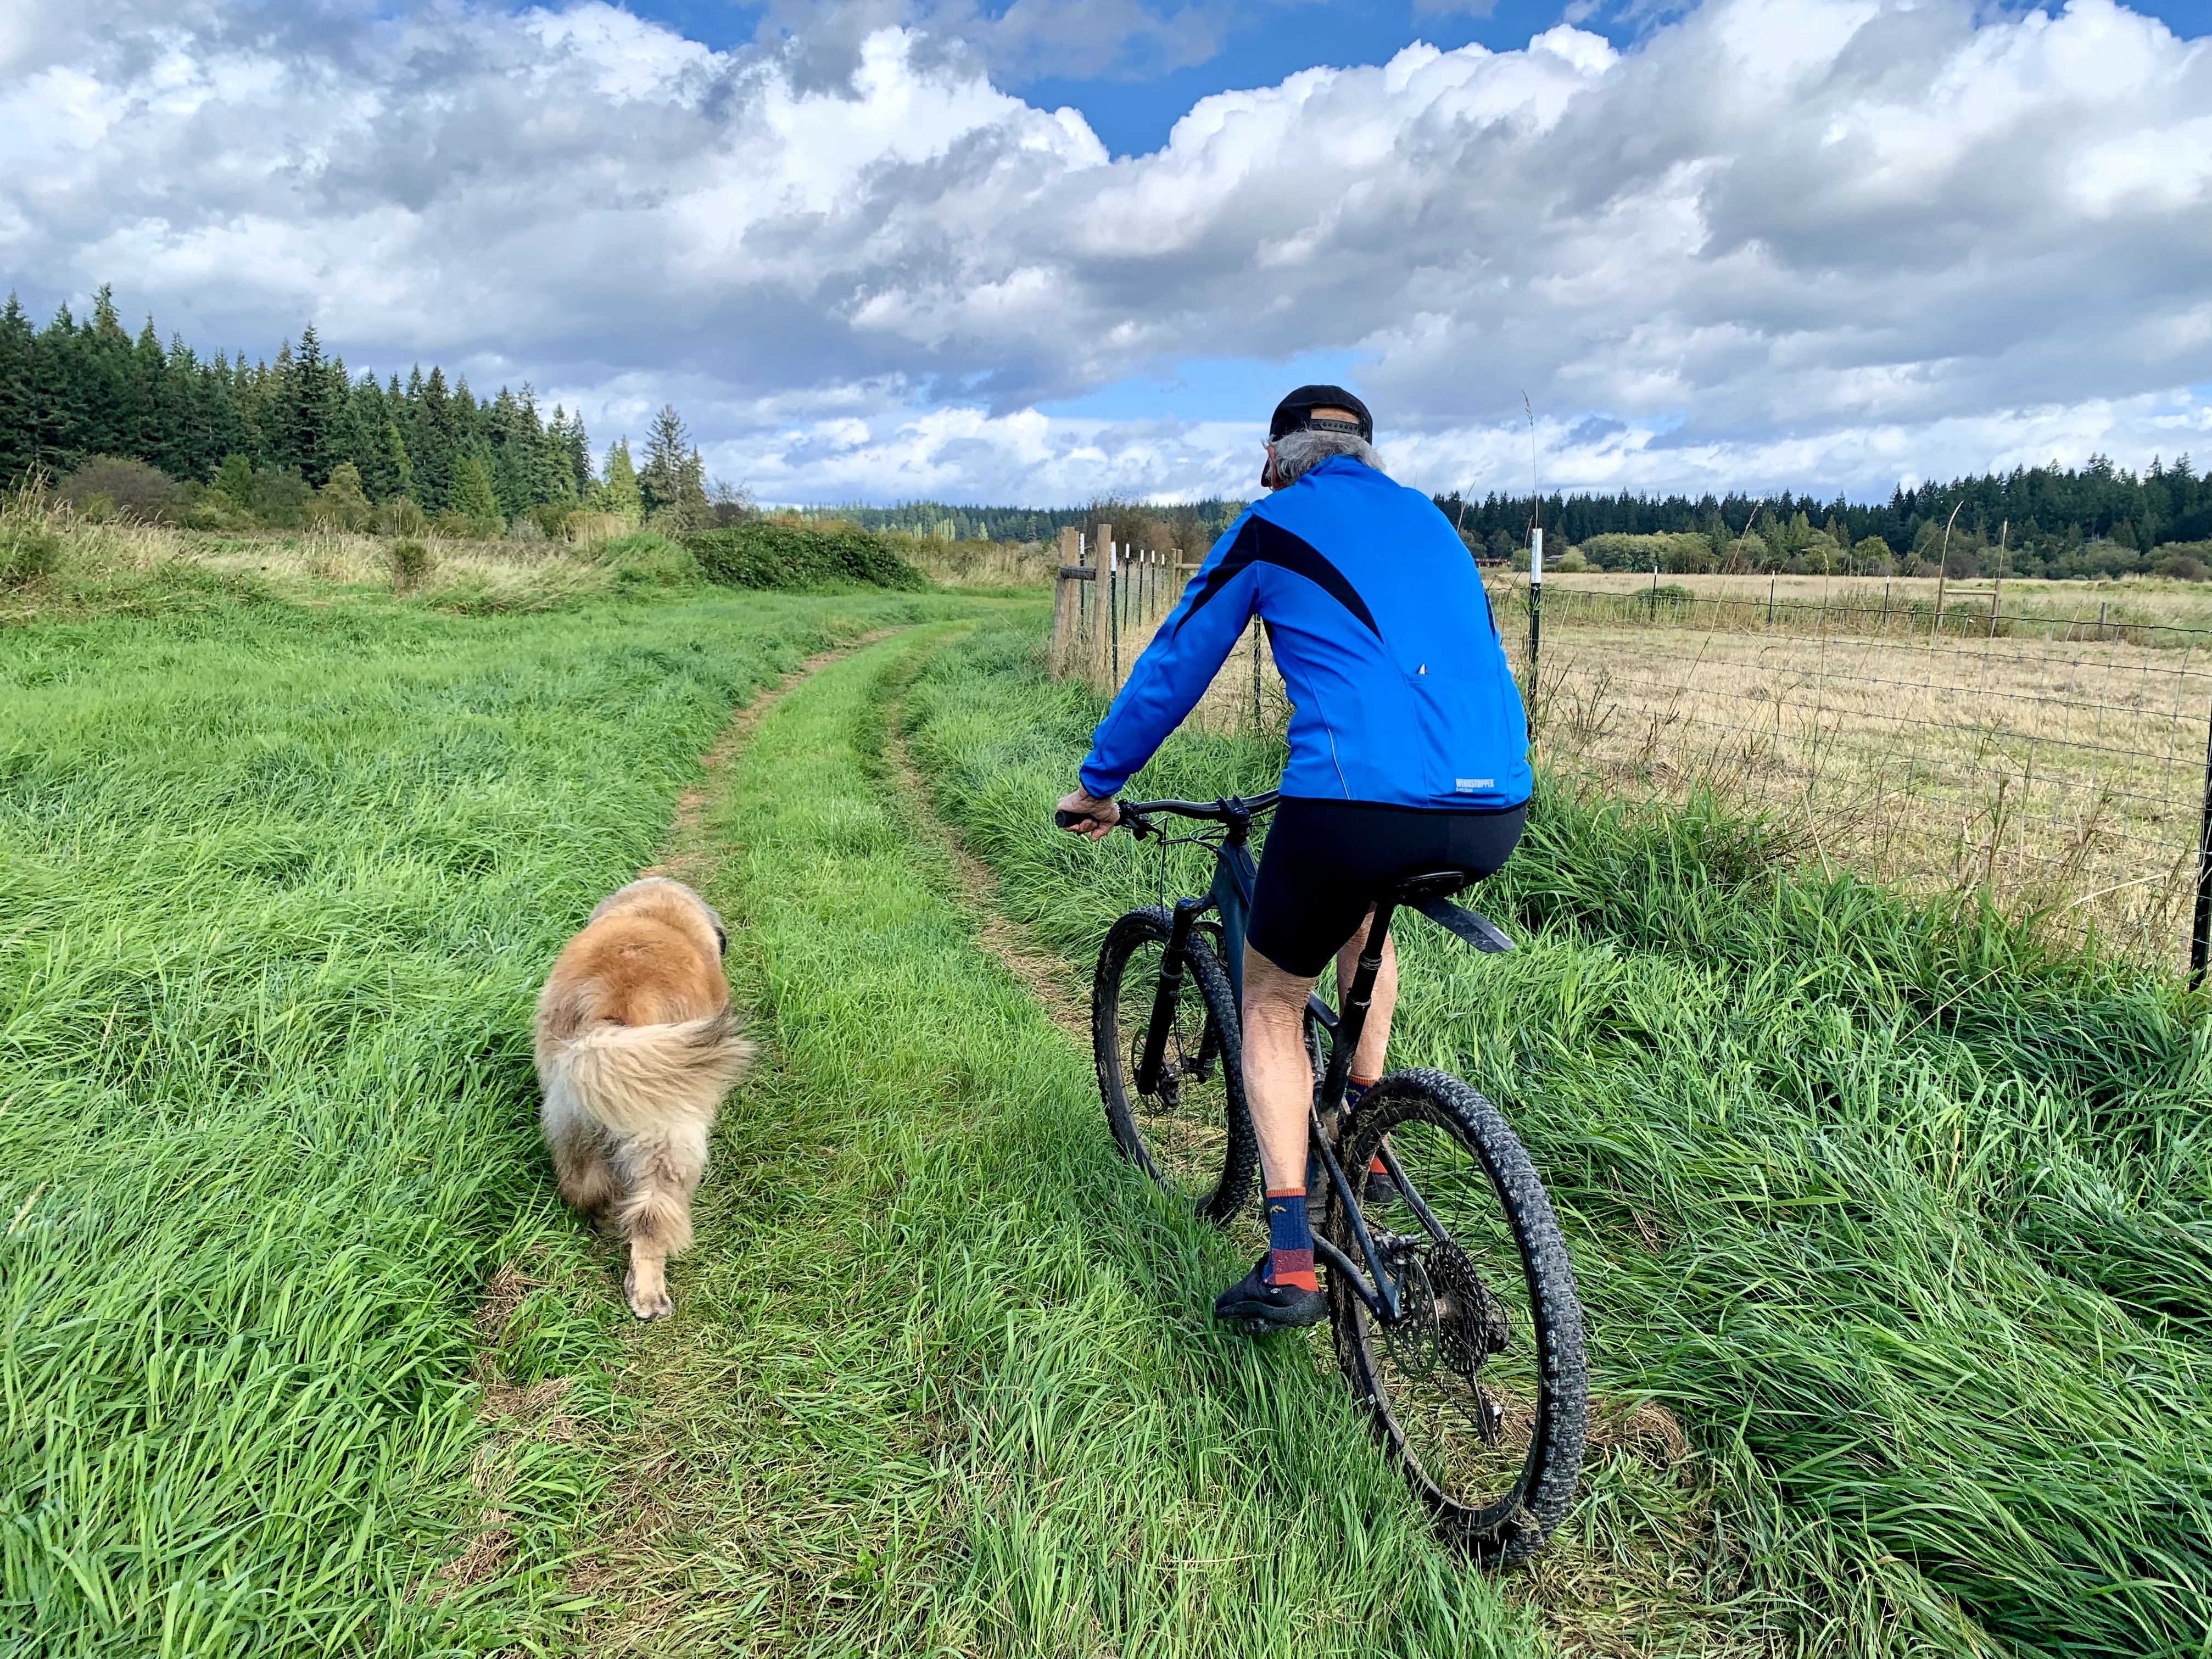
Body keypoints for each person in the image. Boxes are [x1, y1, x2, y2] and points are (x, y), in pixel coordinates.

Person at [1057, 386, 1532, 1331]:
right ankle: (1367, 1130)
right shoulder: (1433, 523)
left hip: (1354, 804)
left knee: (1271, 1001)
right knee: (1365, 921)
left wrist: (1100, 782)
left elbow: (1176, 662)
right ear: (1368, 453)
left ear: (1277, 459)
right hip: (1495, 806)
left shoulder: (1273, 523)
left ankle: (1290, 1265)